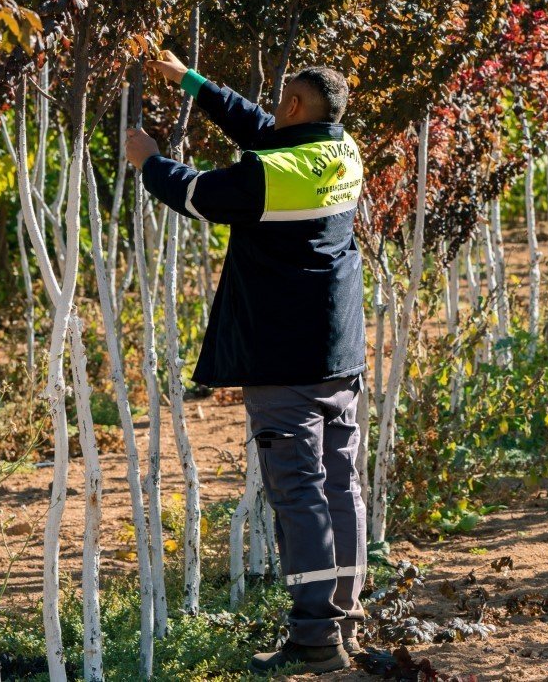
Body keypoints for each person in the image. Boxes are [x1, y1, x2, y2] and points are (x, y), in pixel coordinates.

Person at [126, 50, 366, 674]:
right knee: (341, 485)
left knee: (299, 491)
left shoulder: (267, 178)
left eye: (280, 98)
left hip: (283, 359)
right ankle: (345, 619)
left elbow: (197, 192)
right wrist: (189, 81)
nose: (272, 110)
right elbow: (258, 127)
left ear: (294, 107)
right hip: (338, 353)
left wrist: (147, 160)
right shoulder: (340, 153)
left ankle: (314, 637)